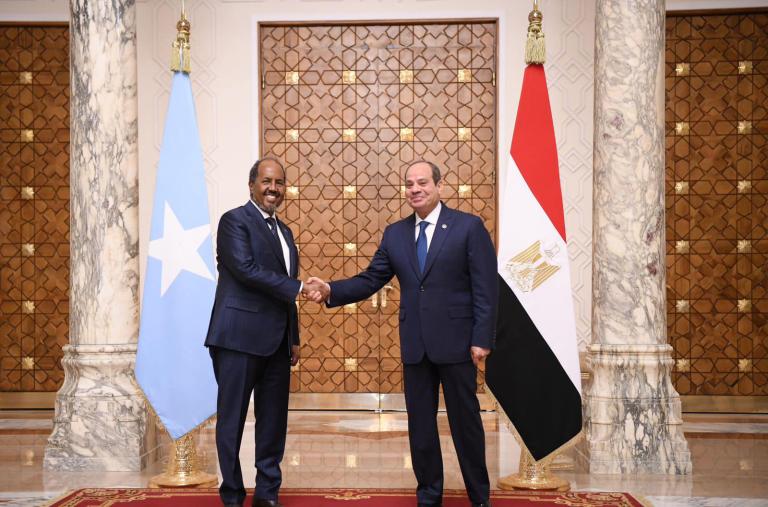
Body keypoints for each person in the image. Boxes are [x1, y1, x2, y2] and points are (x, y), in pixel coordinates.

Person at [307, 160, 497, 507]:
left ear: (440, 186)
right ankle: (428, 495)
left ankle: (479, 497)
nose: (415, 189)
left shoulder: (468, 228)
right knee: (420, 426)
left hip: (458, 344)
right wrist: (331, 289)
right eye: (409, 184)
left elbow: (486, 288)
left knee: (465, 425)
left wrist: (482, 337)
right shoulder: (395, 233)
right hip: (416, 346)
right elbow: (369, 279)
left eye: (422, 182)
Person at [205, 157, 324, 507]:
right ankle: (232, 494)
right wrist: (302, 287)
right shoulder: (234, 222)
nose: (274, 188)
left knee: (273, 422)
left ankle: (268, 492)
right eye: (267, 181)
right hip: (237, 339)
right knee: (233, 420)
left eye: (280, 182)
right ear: (252, 184)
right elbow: (246, 270)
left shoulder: (285, 232)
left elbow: (284, 291)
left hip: (276, 342)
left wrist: (295, 336)